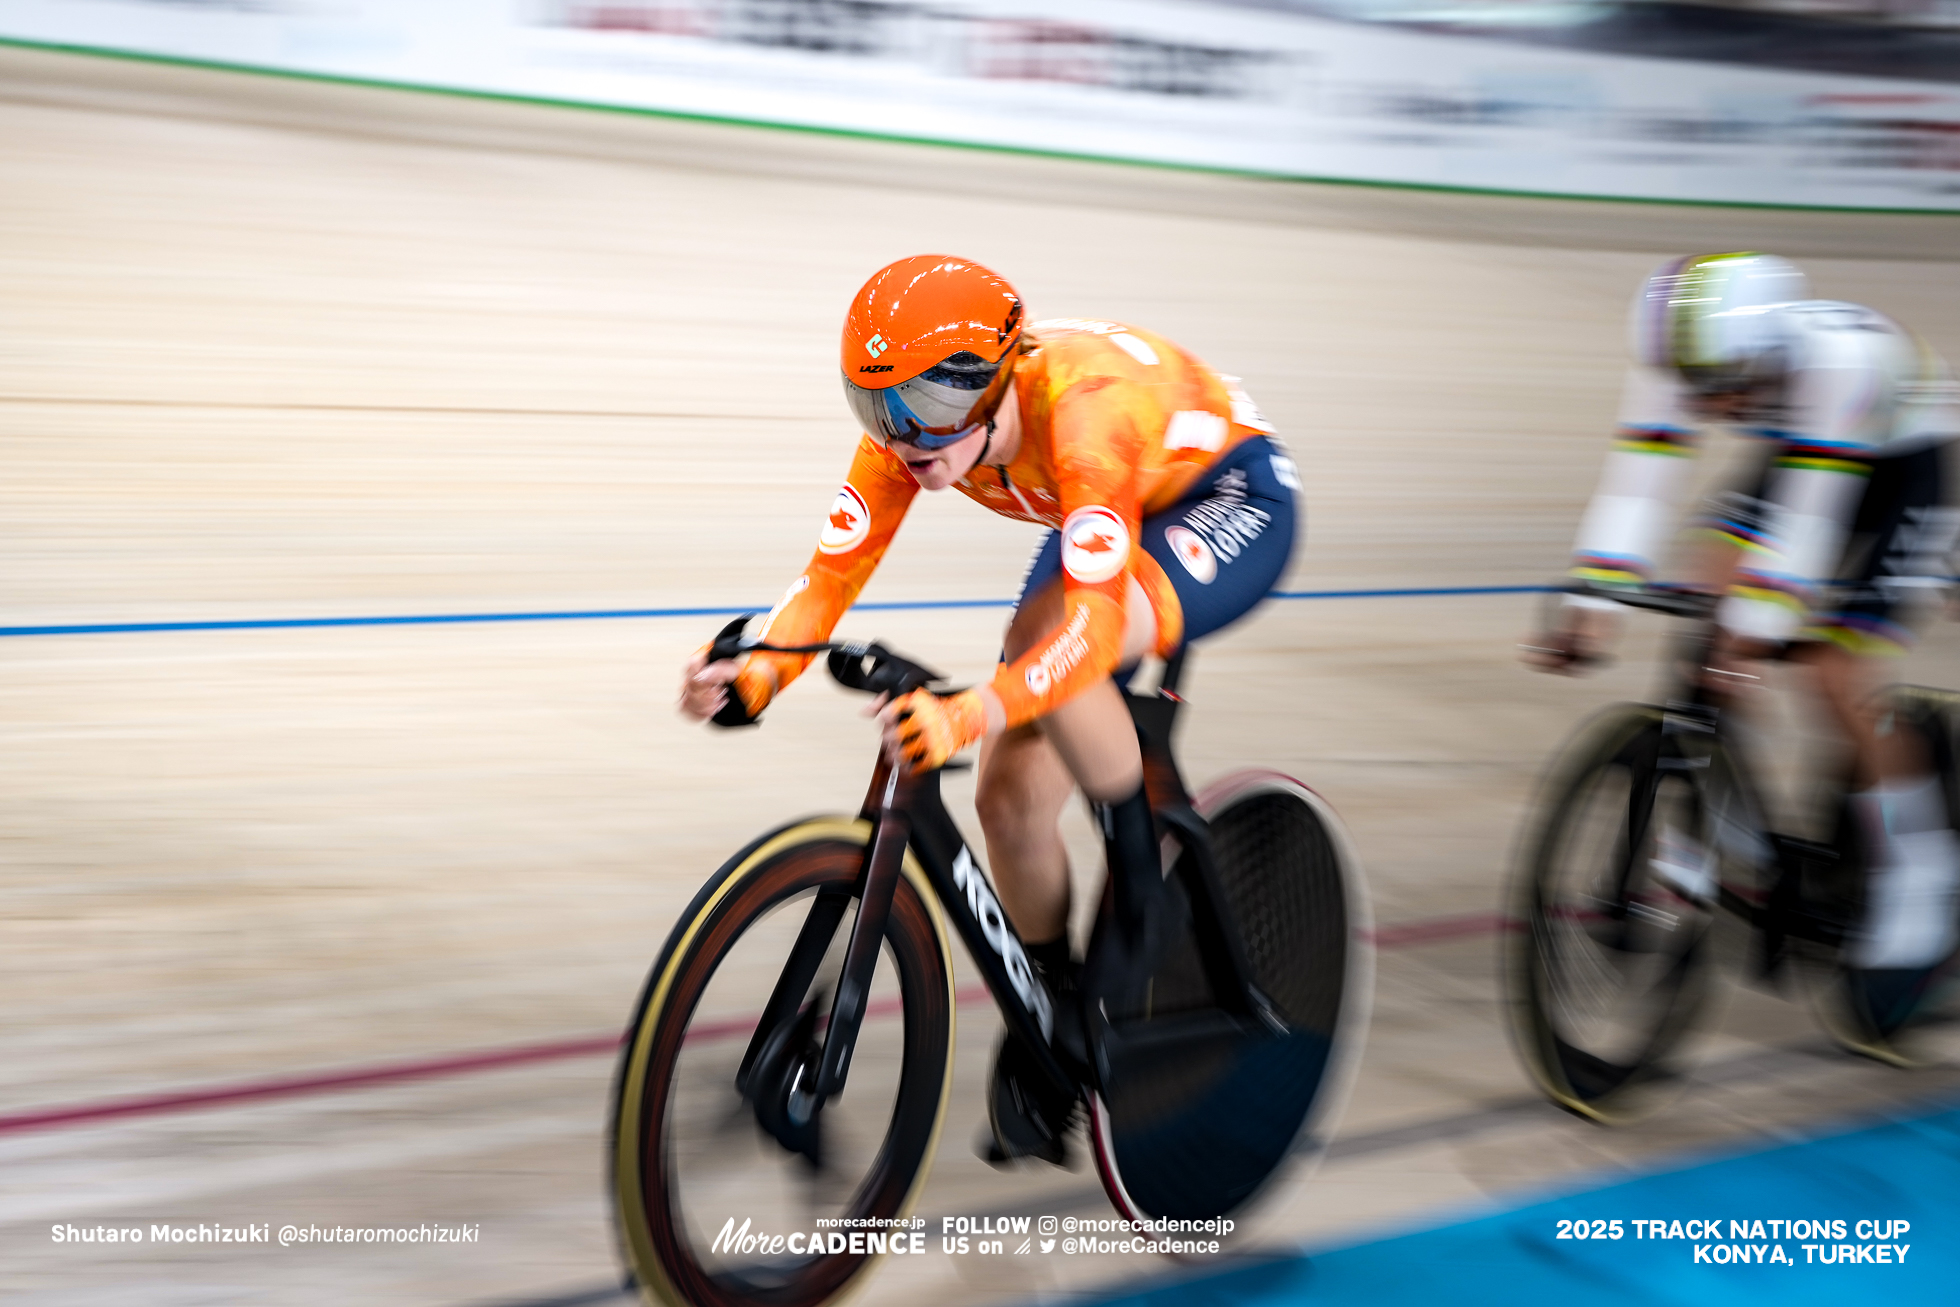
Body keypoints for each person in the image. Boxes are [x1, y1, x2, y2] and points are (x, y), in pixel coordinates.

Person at [679, 254, 1299, 1160]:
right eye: (876, 406)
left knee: (1064, 654)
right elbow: (824, 585)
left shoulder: (1085, 415)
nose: (904, 438)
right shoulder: (912, 431)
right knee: (1006, 798)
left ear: (996, 378)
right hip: (1107, 514)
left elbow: (1086, 634)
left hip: (1226, 495)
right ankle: (1049, 1008)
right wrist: (751, 679)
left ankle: (1140, 894)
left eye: (927, 409)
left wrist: (971, 712)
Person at [1525, 251, 1960, 1045]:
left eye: (1727, 385)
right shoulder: (1685, 359)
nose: (1711, 404)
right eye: (1697, 388)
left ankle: (1922, 875)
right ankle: (1732, 830)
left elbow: (1808, 523)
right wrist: (1594, 597)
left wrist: (1755, 628)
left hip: (1902, 466)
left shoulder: (1835, 366)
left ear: (1768, 354)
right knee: (1705, 592)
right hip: (1802, 452)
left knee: (1830, 667)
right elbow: (1638, 482)